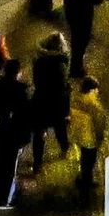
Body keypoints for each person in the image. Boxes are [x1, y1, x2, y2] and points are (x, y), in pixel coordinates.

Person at [0, 58, 30, 210]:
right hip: (14, 136)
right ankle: (3, 200)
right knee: (9, 168)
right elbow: (25, 116)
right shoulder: (21, 91)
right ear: (17, 73)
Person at [29, 33, 71, 172]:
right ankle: (65, 149)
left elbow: (36, 81)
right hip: (56, 105)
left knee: (39, 134)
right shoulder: (60, 65)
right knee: (60, 130)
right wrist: (66, 111)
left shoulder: (38, 60)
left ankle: (37, 164)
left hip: (40, 101)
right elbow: (62, 89)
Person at [61, 0, 102, 77]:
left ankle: (75, 63)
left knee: (75, 37)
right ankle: (76, 69)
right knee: (81, 41)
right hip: (83, 16)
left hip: (70, 12)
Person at [68, 77, 106, 206]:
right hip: (91, 139)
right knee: (89, 164)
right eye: (95, 89)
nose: (97, 92)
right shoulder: (95, 106)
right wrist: (100, 139)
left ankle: (83, 181)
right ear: (91, 90)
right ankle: (85, 191)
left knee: (84, 161)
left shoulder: (77, 100)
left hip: (80, 138)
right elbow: (99, 125)